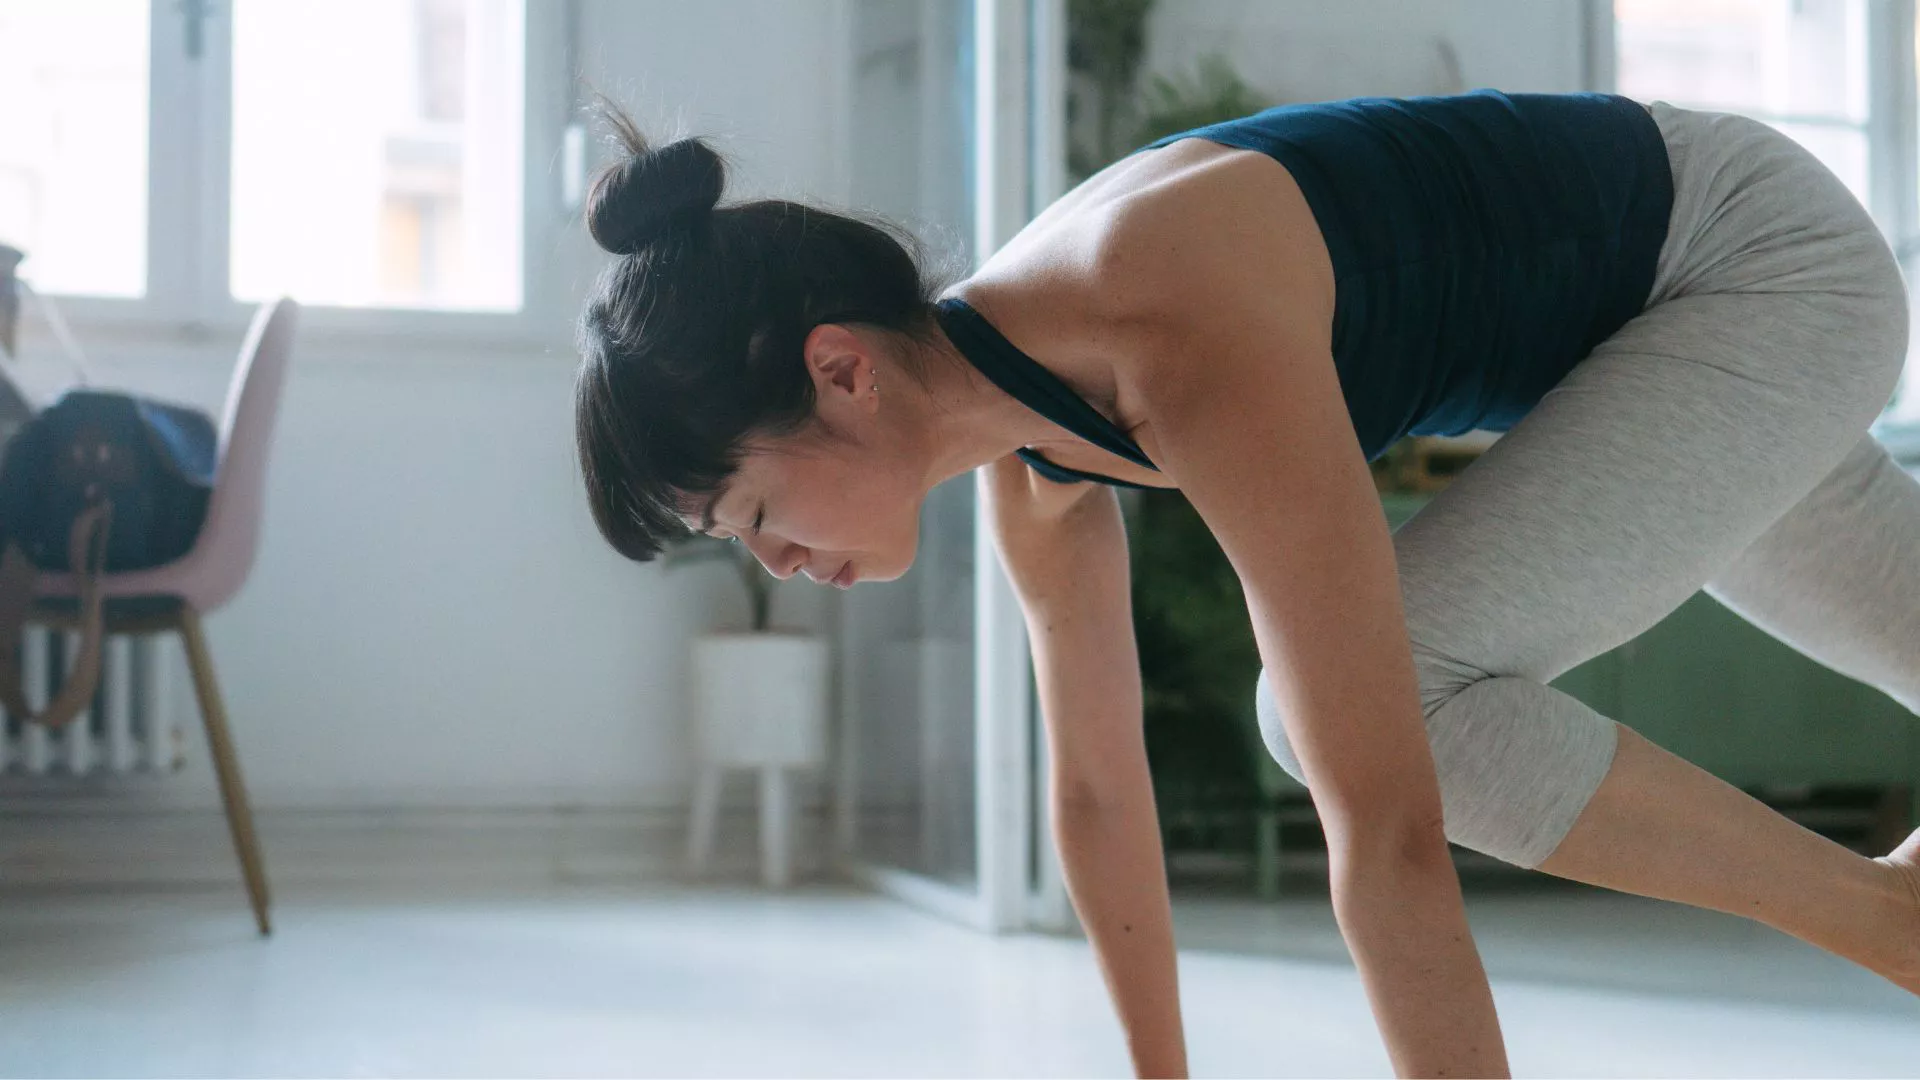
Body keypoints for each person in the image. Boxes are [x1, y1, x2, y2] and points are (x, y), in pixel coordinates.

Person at [572, 91, 1920, 1077]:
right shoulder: (1024, 446)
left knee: (1388, 702)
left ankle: (1888, 919)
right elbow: (1100, 794)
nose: (780, 566)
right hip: (1645, 357)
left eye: (750, 512)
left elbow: (1383, 822)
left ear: (841, 373)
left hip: (1747, 271)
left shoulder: (1157, 318)